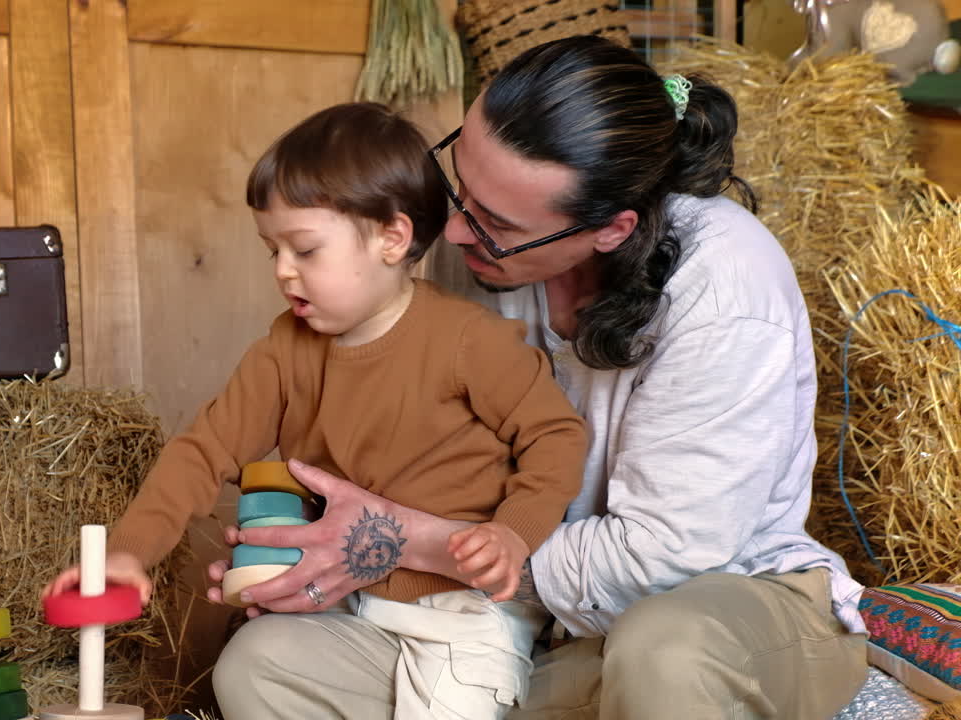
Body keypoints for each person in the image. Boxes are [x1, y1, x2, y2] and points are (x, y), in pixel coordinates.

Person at [208, 35, 869, 720]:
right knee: (266, 664)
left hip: (720, 611)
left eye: (494, 223)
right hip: (526, 620)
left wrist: (405, 543)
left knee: (664, 652)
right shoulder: (479, 250)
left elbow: (664, 559)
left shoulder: (727, 288)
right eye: (458, 181)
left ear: (612, 230)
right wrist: (310, 546)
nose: (458, 233)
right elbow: (428, 454)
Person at [42, 102, 589, 719]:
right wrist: (127, 553)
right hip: (347, 607)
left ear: (392, 236)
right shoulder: (285, 350)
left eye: (304, 250)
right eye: (270, 250)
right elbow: (202, 451)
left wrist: (511, 531)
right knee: (249, 662)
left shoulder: (469, 340)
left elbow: (556, 436)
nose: (281, 271)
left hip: (463, 617)